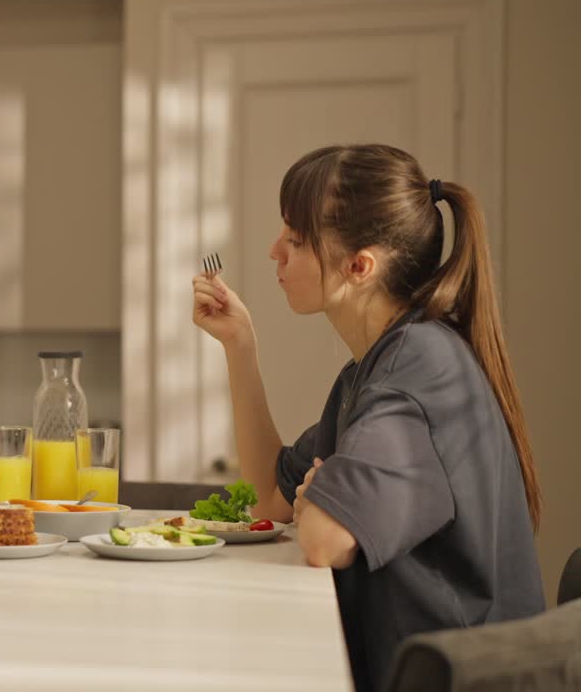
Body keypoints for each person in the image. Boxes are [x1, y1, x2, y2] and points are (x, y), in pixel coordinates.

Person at [191, 144, 544, 691]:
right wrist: (240, 345)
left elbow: (324, 539)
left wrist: (320, 500)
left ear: (359, 267)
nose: (273, 251)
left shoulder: (417, 368)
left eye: (296, 239)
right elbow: (269, 499)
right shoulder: (372, 370)